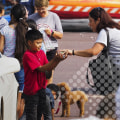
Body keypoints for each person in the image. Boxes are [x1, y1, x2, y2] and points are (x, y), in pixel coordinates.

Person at [63, 7, 120, 119]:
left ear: (98, 20)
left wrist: (72, 52)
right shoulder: (115, 28)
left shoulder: (105, 31)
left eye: (90, 21)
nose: (89, 24)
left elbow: (93, 51)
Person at [22, 29, 67, 120]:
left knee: (39, 115)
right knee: (32, 116)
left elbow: (48, 68)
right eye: (37, 43)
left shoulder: (42, 53)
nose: (40, 45)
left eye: (41, 43)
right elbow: (41, 69)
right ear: (29, 43)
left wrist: (58, 59)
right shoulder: (28, 55)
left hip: (41, 90)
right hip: (32, 92)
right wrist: (55, 59)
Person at [0, 4, 28, 119]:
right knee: (20, 100)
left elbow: (0, 49)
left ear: (11, 16)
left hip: (7, 68)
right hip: (22, 66)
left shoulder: (4, 30)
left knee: (7, 98)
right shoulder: (28, 30)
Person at [28, 0, 63, 84]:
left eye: (43, 9)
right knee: (37, 73)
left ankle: (48, 94)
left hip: (51, 49)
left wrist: (51, 33)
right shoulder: (31, 18)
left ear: (47, 7)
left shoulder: (54, 16)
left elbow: (60, 35)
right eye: (38, 9)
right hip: (37, 50)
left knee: (49, 74)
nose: (40, 11)